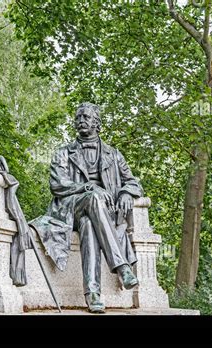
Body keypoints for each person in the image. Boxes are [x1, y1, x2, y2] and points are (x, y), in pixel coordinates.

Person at [30, 102, 143, 313]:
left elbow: (134, 182)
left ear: (97, 123)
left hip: (101, 215)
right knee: (92, 199)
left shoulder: (113, 154)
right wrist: (87, 186)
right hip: (70, 207)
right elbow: (57, 185)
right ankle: (122, 267)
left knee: (88, 224)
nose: (81, 120)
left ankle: (92, 294)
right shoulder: (63, 153)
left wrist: (127, 192)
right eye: (78, 117)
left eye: (86, 117)